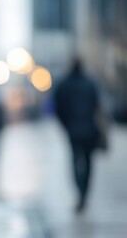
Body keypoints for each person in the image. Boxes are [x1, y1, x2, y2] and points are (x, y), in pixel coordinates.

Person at [54, 58, 101, 214]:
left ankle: (80, 192)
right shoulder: (90, 83)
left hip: (73, 130)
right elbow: (97, 105)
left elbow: (57, 107)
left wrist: (66, 125)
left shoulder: (64, 84)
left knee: (75, 161)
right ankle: (84, 192)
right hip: (89, 130)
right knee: (88, 162)